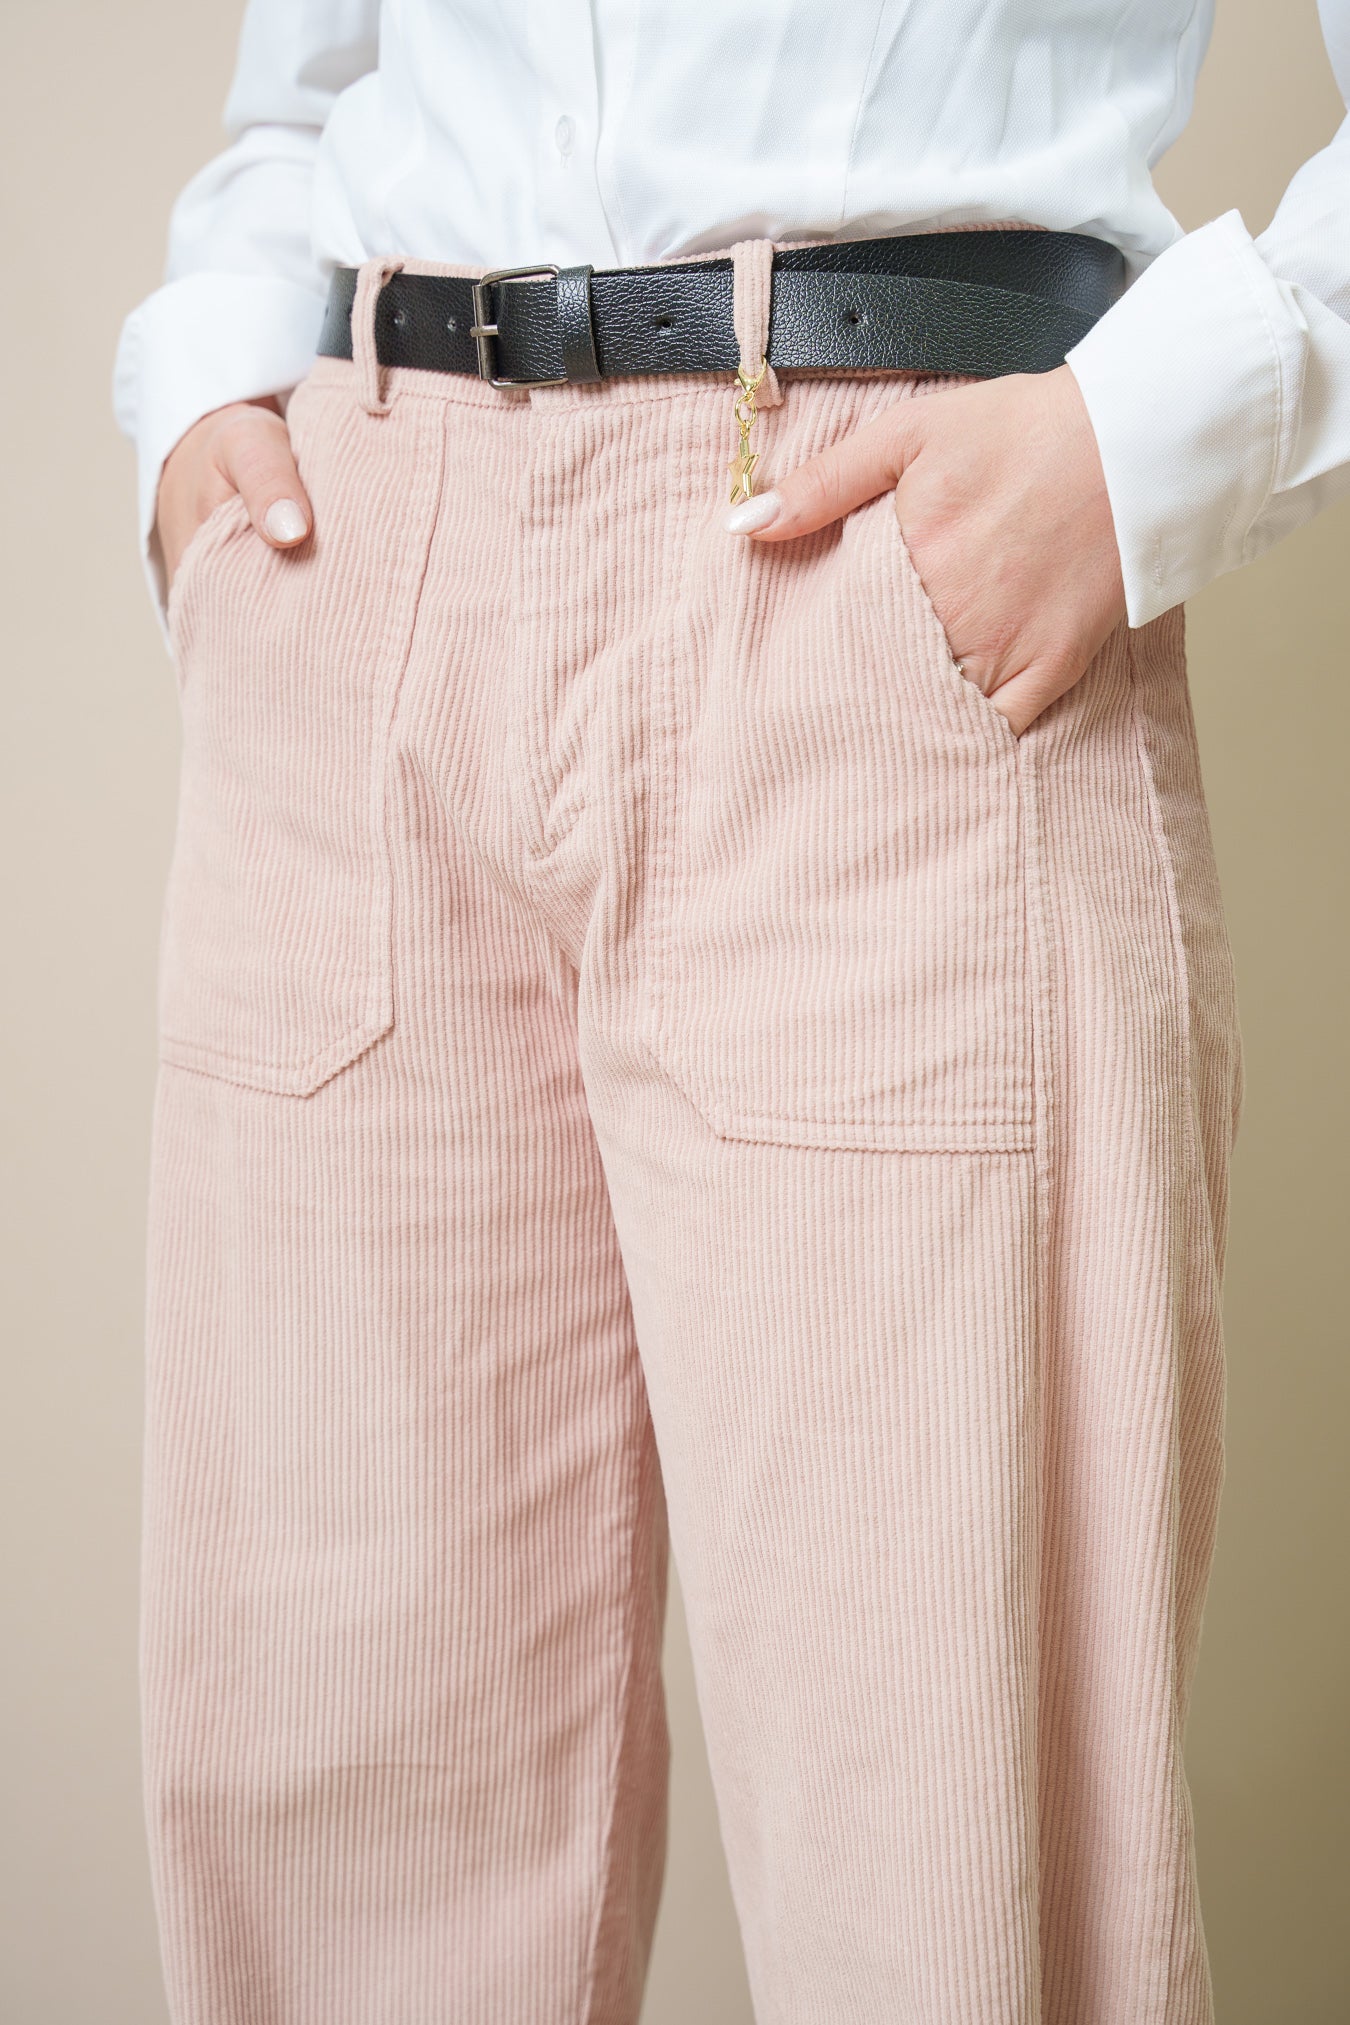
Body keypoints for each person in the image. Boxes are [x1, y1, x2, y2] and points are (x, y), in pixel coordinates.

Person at [112, 6, 1349, 2023]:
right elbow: (309, 84)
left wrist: (1148, 437)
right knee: (343, 1866)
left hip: (883, 556)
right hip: (359, 566)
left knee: (939, 1889)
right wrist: (201, 391)